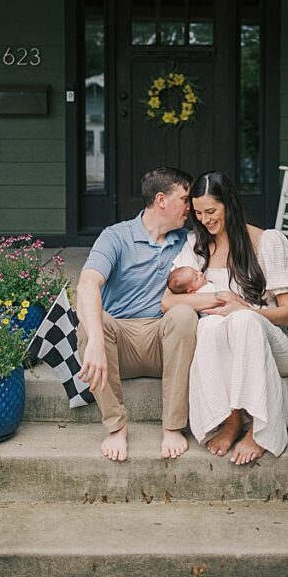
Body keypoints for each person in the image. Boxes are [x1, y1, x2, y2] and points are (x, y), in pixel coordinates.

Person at [163, 171, 288, 466]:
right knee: (212, 324)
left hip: (274, 345)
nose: (205, 220)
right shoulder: (196, 245)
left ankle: (259, 428)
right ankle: (231, 420)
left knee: (243, 322)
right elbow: (169, 301)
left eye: (212, 211)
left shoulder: (267, 242)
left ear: (229, 204)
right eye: (198, 213)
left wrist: (245, 309)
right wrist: (218, 302)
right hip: (223, 343)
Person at [75, 166, 198, 462]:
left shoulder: (187, 240)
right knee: (91, 325)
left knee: (183, 315)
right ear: (161, 200)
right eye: (185, 199)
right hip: (119, 345)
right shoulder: (116, 237)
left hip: (163, 341)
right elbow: (87, 284)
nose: (190, 207)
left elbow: (230, 228)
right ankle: (116, 427)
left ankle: (172, 426)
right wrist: (94, 341)